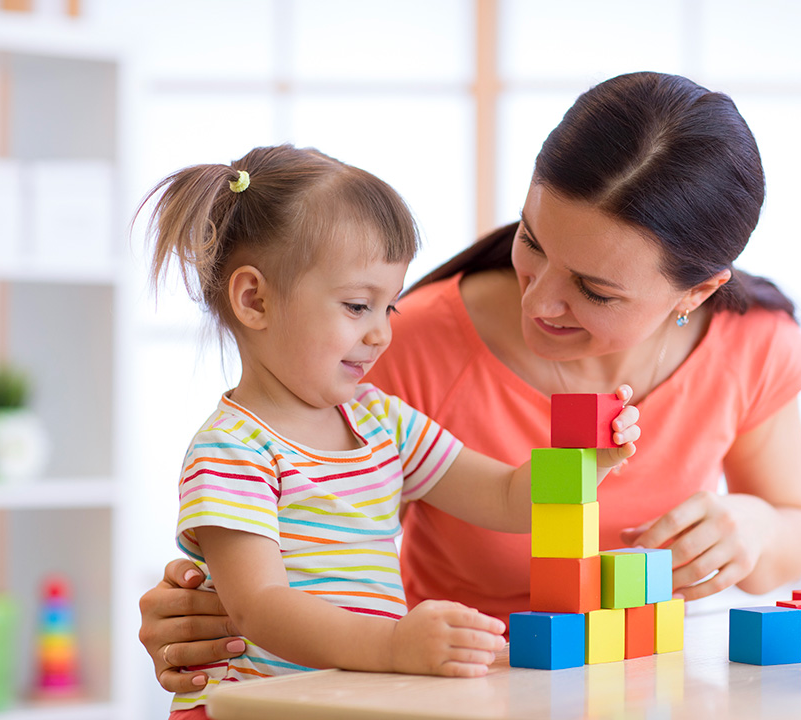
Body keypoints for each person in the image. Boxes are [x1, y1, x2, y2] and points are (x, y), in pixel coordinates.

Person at [139, 71, 801, 694]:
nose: (541, 303)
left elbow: (508, 492)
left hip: (636, 687)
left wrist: (592, 472)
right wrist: (200, 610)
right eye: (531, 240)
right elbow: (272, 596)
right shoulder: (374, 364)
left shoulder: (378, 419)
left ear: (695, 292)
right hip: (425, 689)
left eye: (593, 289)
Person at [140, 144, 641, 718]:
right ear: (254, 299)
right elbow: (260, 607)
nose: (381, 335)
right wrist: (392, 645)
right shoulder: (232, 449)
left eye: (389, 310)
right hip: (254, 707)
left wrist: (585, 461)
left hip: (353, 698)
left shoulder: (383, 422)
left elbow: (507, 498)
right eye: (357, 306)